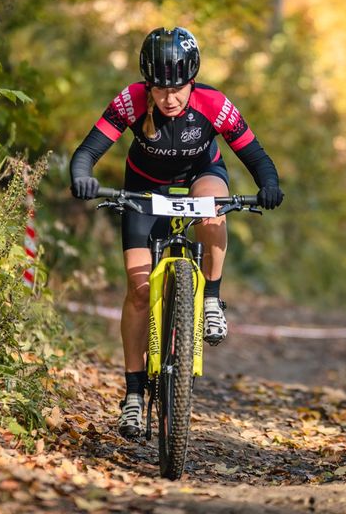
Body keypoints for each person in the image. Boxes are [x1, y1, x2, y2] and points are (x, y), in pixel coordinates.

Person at [69, 26, 284, 438]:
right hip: (144, 188)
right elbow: (88, 151)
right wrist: (82, 175)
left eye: (178, 88)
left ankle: (213, 301)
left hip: (200, 176)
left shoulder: (214, 104)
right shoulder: (130, 101)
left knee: (213, 209)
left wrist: (268, 185)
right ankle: (133, 396)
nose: (169, 98)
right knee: (137, 291)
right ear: (147, 85)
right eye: (159, 89)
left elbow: (255, 155)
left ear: (192, 80)